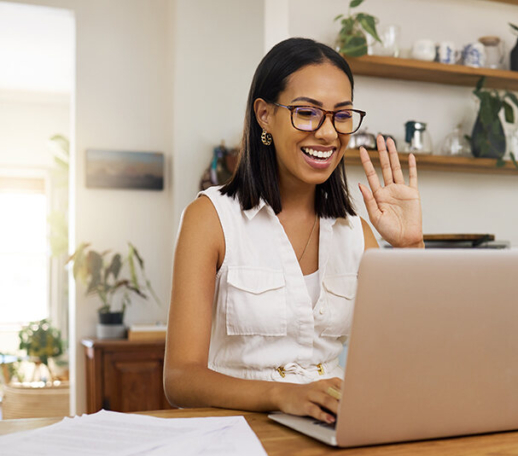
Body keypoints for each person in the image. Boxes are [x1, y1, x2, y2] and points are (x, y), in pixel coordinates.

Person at [164, 38, 423, 424]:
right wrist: (283, 395)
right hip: (237, 433)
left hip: (336, 426)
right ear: (264, 115)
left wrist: (410, 246)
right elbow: (180, 379)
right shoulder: (210, 219)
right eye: (306, 113)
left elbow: (404, 353)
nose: (328, 133)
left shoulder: (358, 234)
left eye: (342, 115)